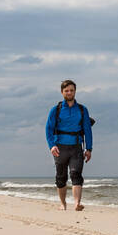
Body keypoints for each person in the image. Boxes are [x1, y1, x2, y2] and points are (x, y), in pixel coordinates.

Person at [46, 79, 92, 211]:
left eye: (71, 90)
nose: (69, 92)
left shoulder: (82, 110)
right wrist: (52, 146)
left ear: (75, 91)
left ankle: (77, 203)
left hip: (77, 147)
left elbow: (88, 130)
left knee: (76, 174)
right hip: (60, 147)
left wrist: (89, 148)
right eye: (66, 90)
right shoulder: (56, 110)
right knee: (61, 177)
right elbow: (48, 129)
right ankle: (63, 203)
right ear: (62, 92)